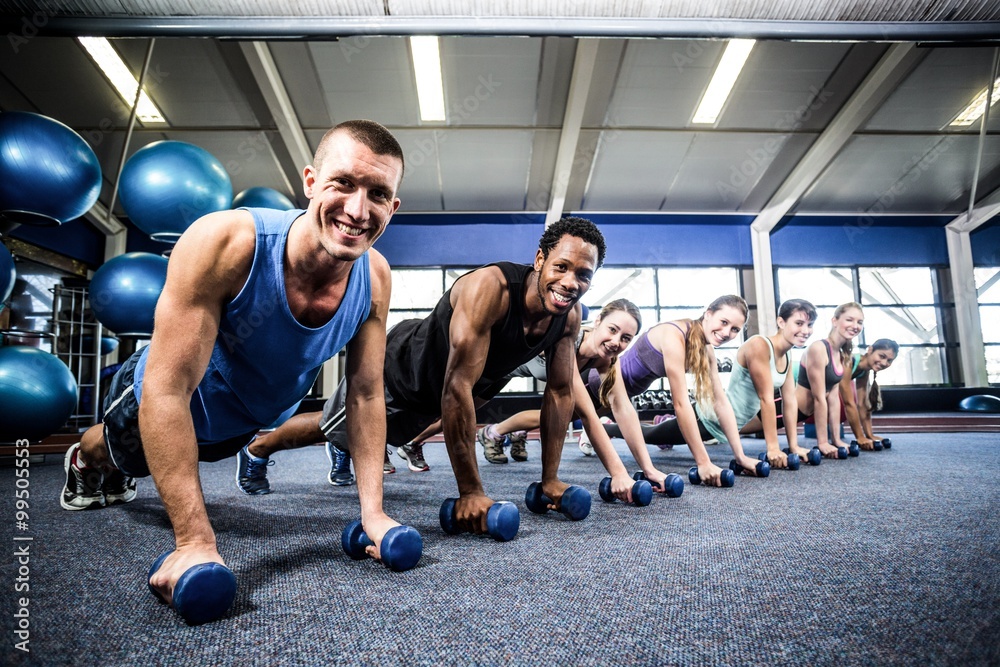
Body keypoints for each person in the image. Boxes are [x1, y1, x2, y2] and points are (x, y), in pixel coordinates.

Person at [59, 120, 406, 604]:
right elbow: (166, 390)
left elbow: (366, 395)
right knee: (119, 455)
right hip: (162, 405)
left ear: (392, 207)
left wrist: (374, 514)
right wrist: (194, 543)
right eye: (343, 183)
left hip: (244, 423)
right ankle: (86, 458)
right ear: (310, 182)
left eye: (377, 194)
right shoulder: (227, 242)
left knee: (181, 462)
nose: (356, 209)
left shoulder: (376, 276)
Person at [246, 217, 607, 533]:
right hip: (402, 371)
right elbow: (457, 387)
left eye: (583, 275)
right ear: (540, 259)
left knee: (387, 436)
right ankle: (258, 450)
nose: (570, 282)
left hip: (440, 392)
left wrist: (550, 479)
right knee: (330, 426)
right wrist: (470, 492)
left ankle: (347, 446)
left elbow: (560, 393)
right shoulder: (491, 290)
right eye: (561, 267)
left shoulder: (567, 319)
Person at [478, 299, 674, 501]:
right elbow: (588, 415)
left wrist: (649, 469)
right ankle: (490, 434)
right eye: (612, 330)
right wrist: (618, 474)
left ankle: (511, 433)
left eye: (625, 338)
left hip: (510, 370)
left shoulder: (606, 359)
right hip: (491, 362)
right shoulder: (568, 341)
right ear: (598, 321)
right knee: (443, 419)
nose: (616, 341)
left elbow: (622, 407)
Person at [603, 295, 761, 486]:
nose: (726, 332)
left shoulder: (706, 349)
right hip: (600, 386)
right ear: (708, 314)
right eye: (724, 322)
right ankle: (599, 427)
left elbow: (720, 401)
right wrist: (704, 463)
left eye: (734, 329)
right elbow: (680, 404)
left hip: (622, 399)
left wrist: (740, 456)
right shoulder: (674, 335)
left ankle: (600, 426)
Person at [698, 299, 817, 469]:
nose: (805, 330)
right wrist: (773, 448)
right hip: (712, 418)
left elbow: (789, 401)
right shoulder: (759, 345)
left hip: (736, 424)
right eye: (799, 323)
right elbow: (766, 398)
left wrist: (794, 446)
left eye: (810, 324)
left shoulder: (787, 355)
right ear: (781, 322)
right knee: (652, 435)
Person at [795, 301, 864, 458]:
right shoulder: (819, 348)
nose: (855, 325)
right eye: (849, 319)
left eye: (859, 322)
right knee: (737, 426)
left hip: (802, 413)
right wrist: (823, 442)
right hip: (786, 411)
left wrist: (836, 440)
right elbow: (819, 398)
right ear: (834, 321)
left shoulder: (840, 354)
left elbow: (833, 398)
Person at [840, 338, 898, 449]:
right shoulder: (849, 360)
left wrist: (869, 435)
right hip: (799, 378)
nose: (884, 363)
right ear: (870, 350)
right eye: (882, 356)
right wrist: (860, 437)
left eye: (889, 360)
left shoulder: (864, 370)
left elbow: (862, 404)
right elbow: (848, 403)